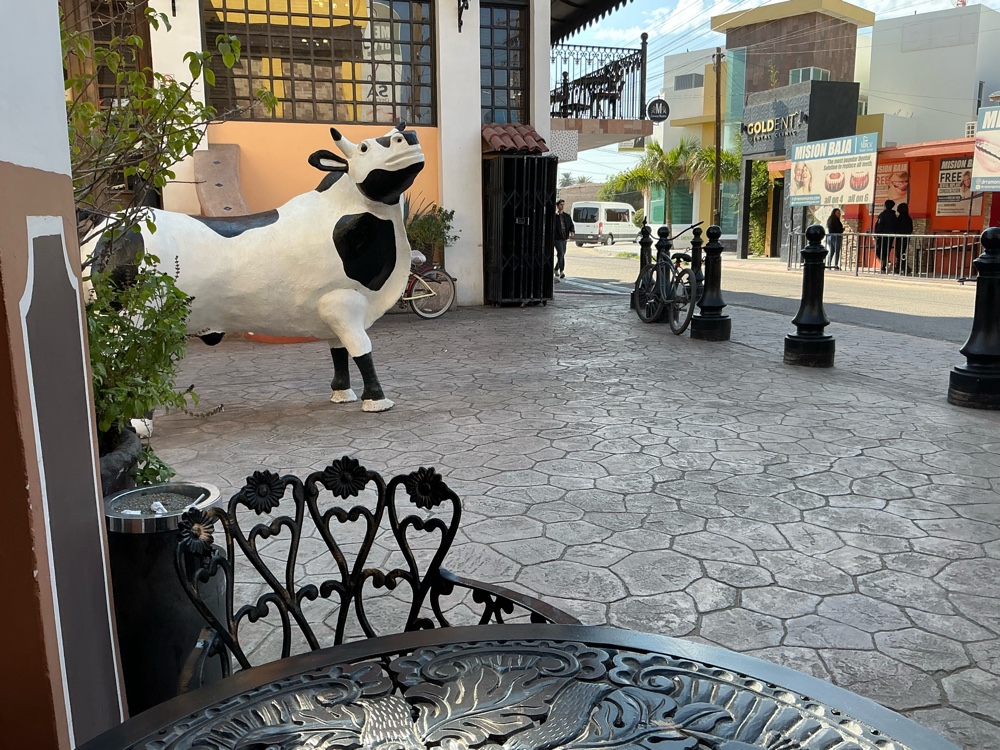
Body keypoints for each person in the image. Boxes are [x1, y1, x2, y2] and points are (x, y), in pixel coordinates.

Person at [553, 199, 574, 281]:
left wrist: (572, 231)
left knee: (562, 254)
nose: (562, 206)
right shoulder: (554, 216)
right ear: (557, 206)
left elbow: (571, 225)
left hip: (564, 238)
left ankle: (555, 269)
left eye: (563, 204)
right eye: (561, 204)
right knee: (561, 253)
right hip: (557, 238)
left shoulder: (567, 216)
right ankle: (561, 271)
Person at [873, 199, 896, 274]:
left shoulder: (883, 215)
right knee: (886, 251)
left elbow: (879, 225)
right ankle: (885, 265)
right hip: (890, 236)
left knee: (879, 251)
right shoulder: (894, 215)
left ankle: (885, 265)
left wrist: (876, 234)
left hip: (882, 236)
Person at [894, 202, 913, 275]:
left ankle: (905, 268)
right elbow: (911, 228)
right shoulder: (908, 218)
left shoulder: (900, 218)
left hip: (900, 237)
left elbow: (897, 227)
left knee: (899, 253)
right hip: (906, 237)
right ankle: (899, 268)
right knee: (901, 252)